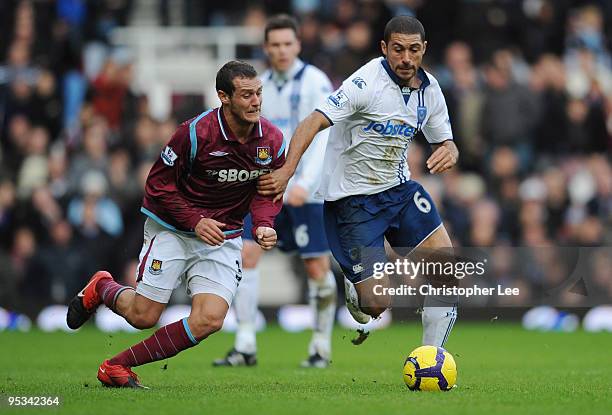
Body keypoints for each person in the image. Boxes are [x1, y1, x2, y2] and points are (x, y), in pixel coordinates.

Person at [66, 61, 285, 388]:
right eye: (246, 95)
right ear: (223, 97)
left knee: (210, 319)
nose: (256, 102)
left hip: (223, 236)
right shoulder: (195, 134)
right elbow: (157, 186)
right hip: (173, 228)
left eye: (258, 94)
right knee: (143, 316)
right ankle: (102, 287)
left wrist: (264, 223)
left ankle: (116, 365)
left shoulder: (272, 140)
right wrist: (196, 221)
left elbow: (268, 191)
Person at [259, 16, 460, 347]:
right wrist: (287, 170)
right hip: (354, 203)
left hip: (398, 192)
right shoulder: (365, 84)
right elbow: (313, 121)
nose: (406, 58)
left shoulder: (430, 89)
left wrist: (450, 150)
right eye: (398, 49)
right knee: (377, 305)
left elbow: (445, 140)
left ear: (424, 49)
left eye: (413, 50)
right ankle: (356, 287)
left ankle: (430, 358)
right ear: (384, 49)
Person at [213, 15, 336, 369]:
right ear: (266, 48)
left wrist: (303, 183)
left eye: (287, 43)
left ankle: (320, 347)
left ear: (298, 45)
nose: (281, 50)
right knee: (246, 255)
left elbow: (323, 136)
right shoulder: (259, 85)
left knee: (315, 266)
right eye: (275, 44)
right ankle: (246, 343)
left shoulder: (315, 82)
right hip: (265, 189)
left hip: (303, 191)